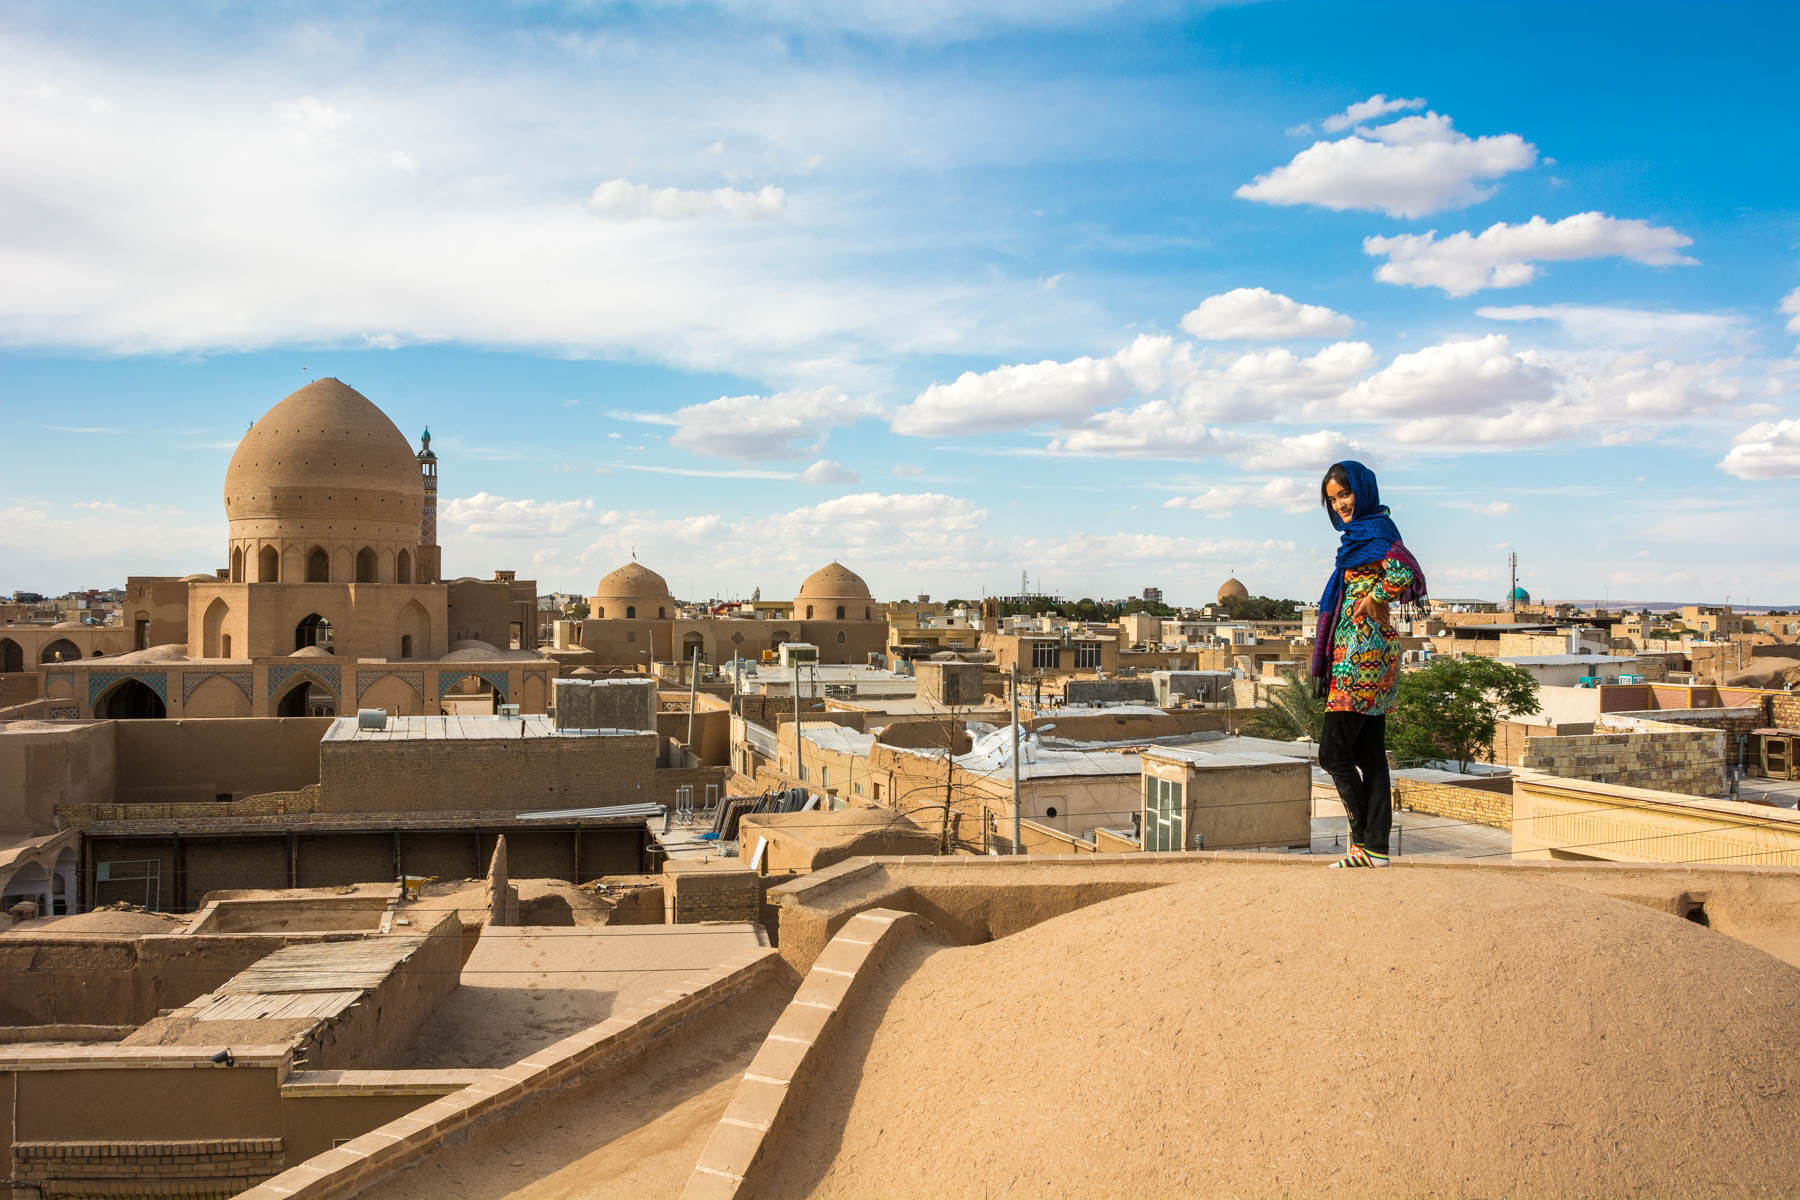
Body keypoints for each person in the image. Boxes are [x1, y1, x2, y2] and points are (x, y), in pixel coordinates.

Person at [1309, 461, 1428, 869]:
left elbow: (1402, 568)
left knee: (1333, 754)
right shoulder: (1358, 536)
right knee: (1369, 753)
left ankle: (1363, 840)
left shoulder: (1377, 530)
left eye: (1345, 494)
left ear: (1363, 490)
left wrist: (1373, 597)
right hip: (1363, 650)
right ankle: (1373, 849)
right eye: (1333, 499)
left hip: (1362, 651)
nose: (1340, 504)